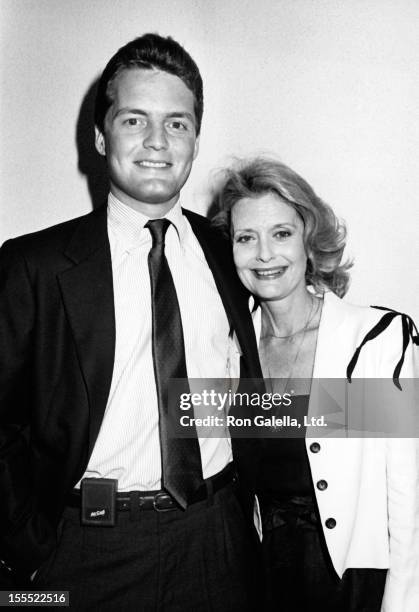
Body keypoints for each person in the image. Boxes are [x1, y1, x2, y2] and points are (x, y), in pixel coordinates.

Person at [0, 34, 263, 610]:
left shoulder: (234, 252)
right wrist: (28, 553)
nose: (156, 141)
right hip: (82, 551)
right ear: (100, 136)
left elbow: (266, 393)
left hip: (216, 539)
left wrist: (389, 402)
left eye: (176, 123)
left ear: (195, 138)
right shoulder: (32, 266)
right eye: (133, 120)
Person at [212, 157, 419, 611]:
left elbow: (408, 500)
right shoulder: (228, 350)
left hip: (355, 586)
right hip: (262, 583)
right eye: (247, 238)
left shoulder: (373, 343)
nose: (265, 254)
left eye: (282, 234)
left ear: (309, 239)